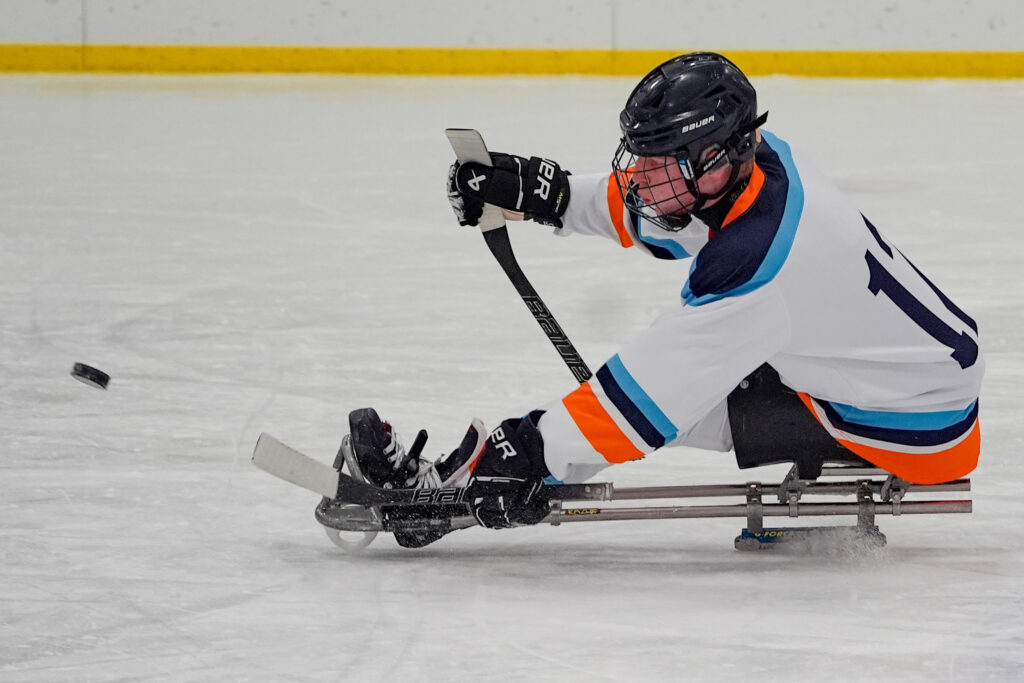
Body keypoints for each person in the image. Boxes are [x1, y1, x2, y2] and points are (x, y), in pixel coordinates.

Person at [354, 52, 984, 547]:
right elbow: (679, 216)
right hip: (912, 374)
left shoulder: (759, 267)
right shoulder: (763, 163)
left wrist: (532, 449)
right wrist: (552, 196)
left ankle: (445, 494)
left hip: (914, 423)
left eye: (662, 161)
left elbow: (643, 401)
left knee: (655, 404)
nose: (643, 175)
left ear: (717, 155)